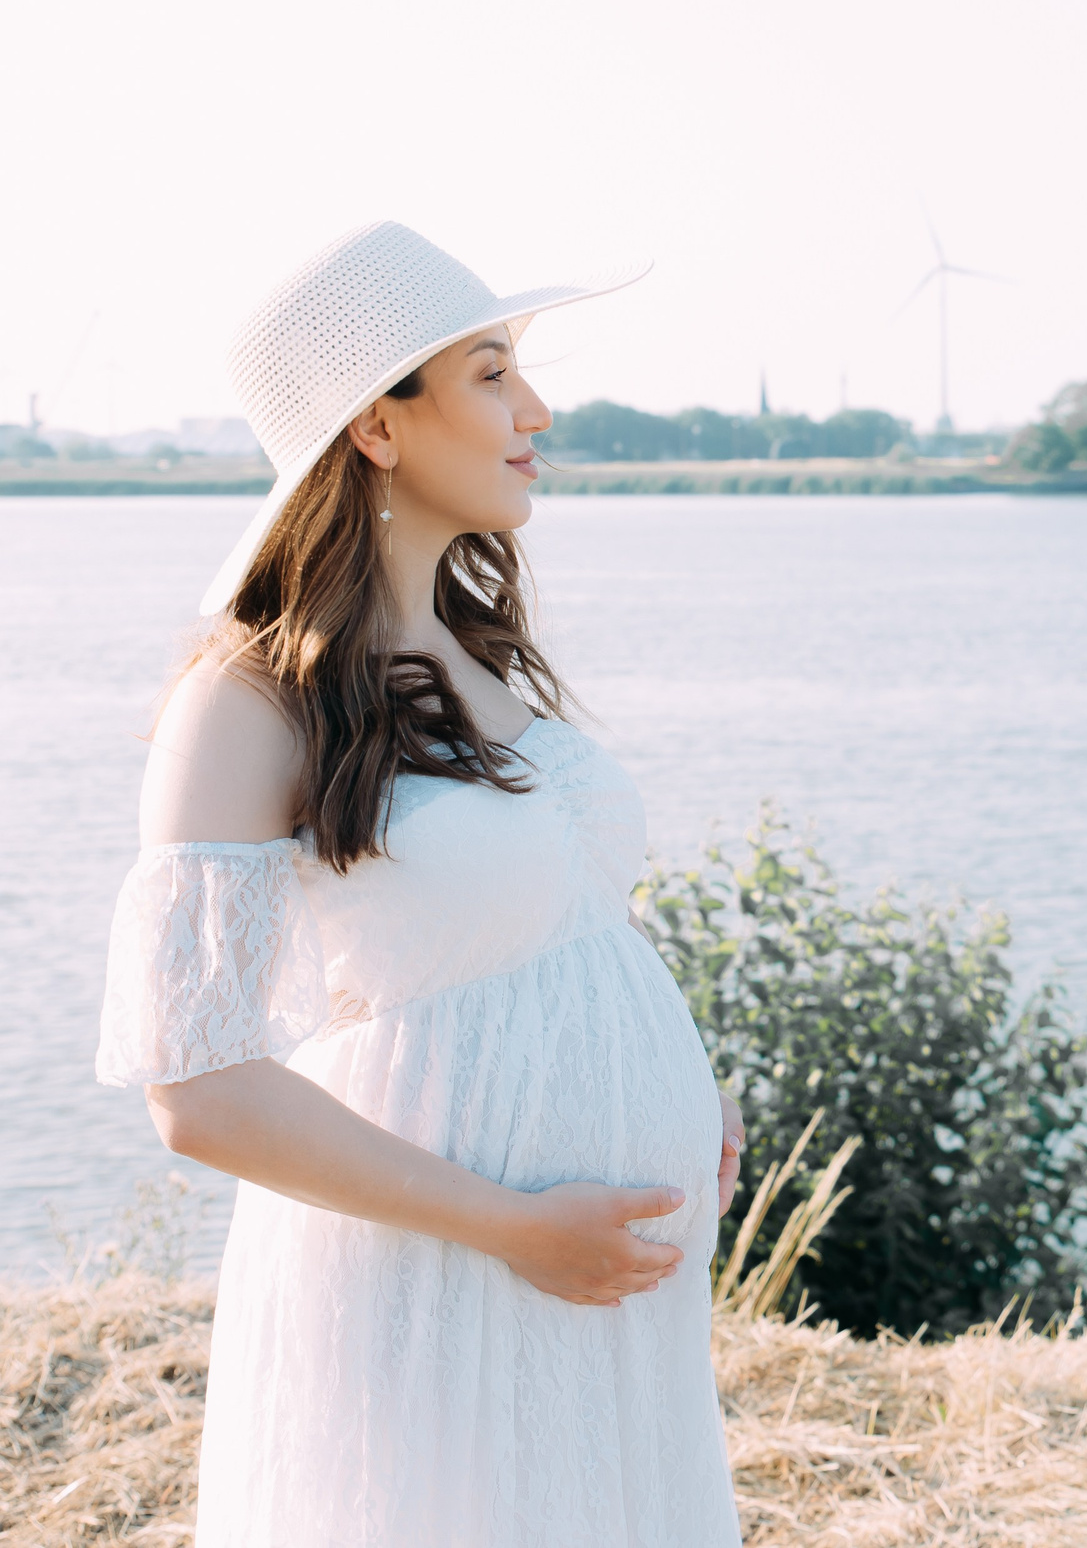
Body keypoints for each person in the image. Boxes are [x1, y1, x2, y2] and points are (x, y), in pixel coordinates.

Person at [94, 222, 744, 1545]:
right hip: (431, 1287)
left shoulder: (484, 653)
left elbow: (559, 921)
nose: (538, 410)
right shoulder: (244, 704)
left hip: (596, 1291)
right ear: (378, 427)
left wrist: (686, 1084)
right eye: (493, 371)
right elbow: (199, 1089)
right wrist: (511, 1225)